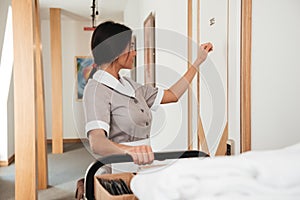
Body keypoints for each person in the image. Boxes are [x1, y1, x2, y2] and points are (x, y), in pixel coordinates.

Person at [83, 21, 213, 166]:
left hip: (143, 164)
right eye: (131, 47)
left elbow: (173, 95)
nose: (134, 52)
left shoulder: (130, 86)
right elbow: (97, 142)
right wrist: (130, 151)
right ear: (116, 50)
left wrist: (197, 62)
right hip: (117, 169)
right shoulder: (96, 89)